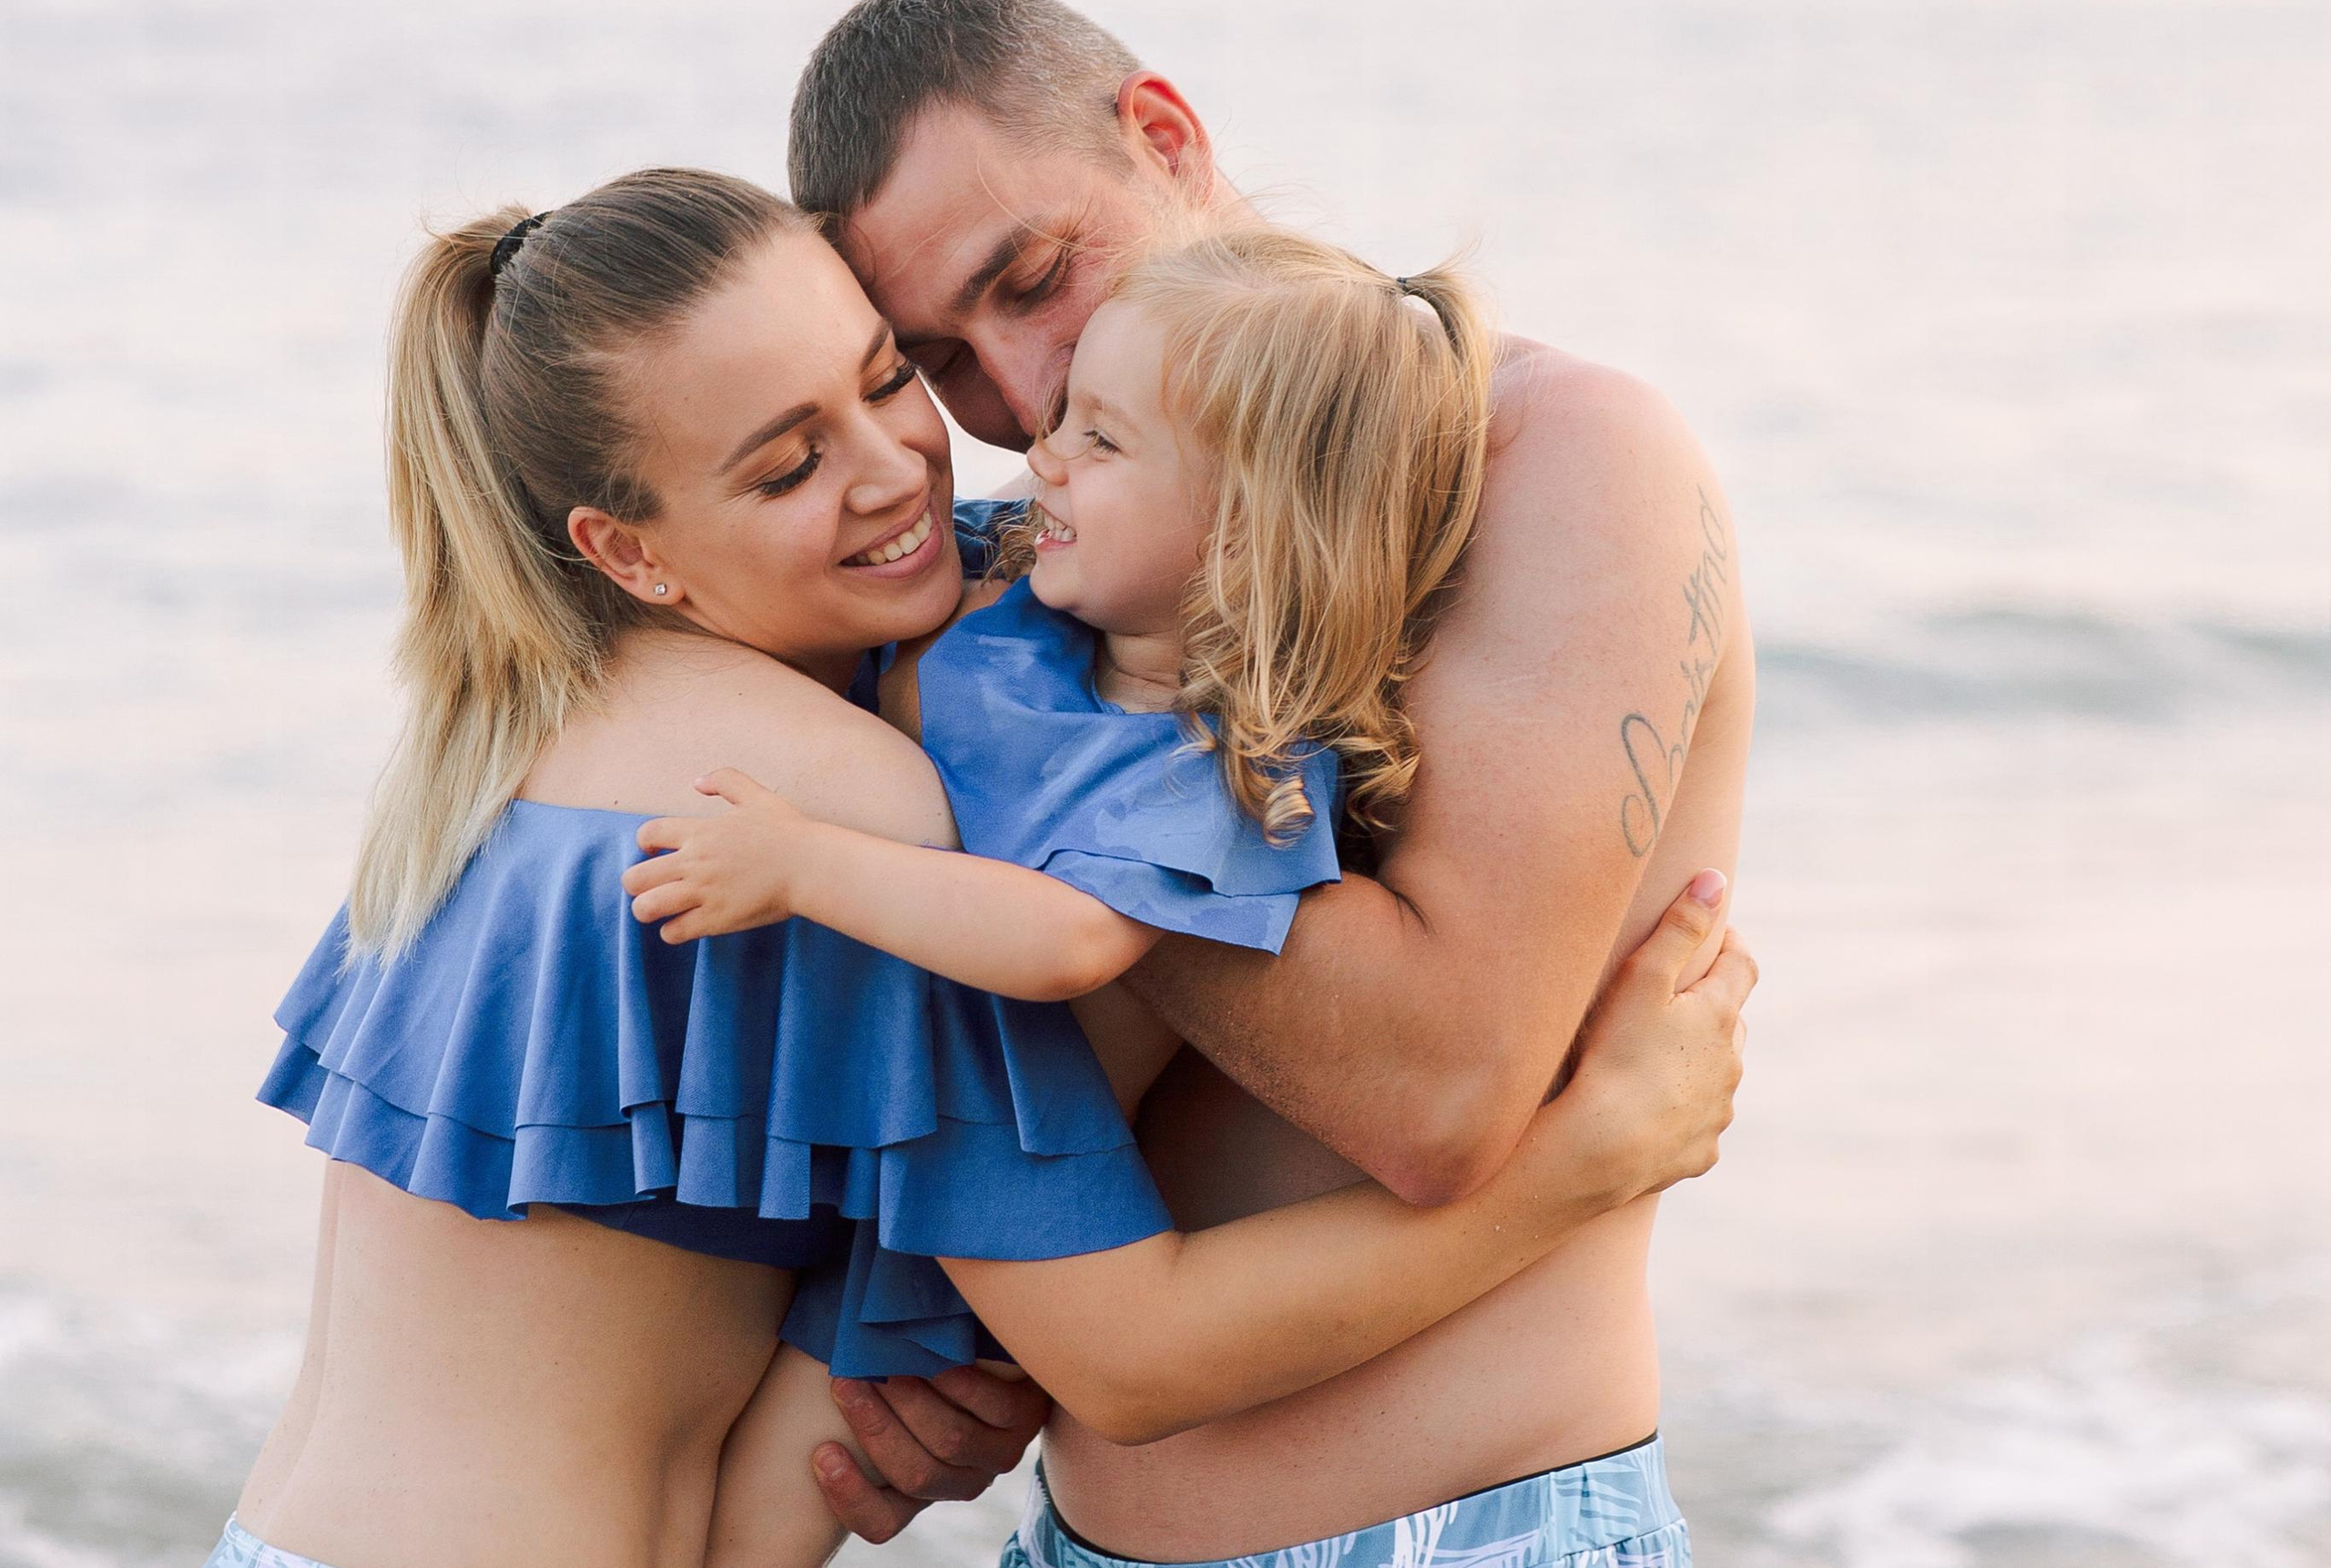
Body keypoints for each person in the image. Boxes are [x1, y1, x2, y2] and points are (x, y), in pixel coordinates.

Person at [218, 168, 1753, 1568]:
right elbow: (1131, 1351)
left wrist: (900, 1356)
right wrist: (1586, 1162)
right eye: (784, 466)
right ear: (627, 548)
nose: (900, 468)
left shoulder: (500, 746)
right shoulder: (831, 799)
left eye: (891, 377)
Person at [784, 0, 1756, 1565]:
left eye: (1032, 279)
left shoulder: (1548, 458)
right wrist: (950, 1323)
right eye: (937, 362)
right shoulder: (1064, 569)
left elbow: (1437, 1088)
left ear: (1163, 136)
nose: (1020, 400)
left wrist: (969, 729)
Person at [615, 227, 1497, 1377]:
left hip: (1005, 1201)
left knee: (769, 1508)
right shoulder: (1032, 602)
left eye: (1103, 439)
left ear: (1240, 530)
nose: (1041, 456)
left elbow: (1068, 940)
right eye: (1067, 415)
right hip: (887, 1133)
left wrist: (800, 865)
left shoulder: (1223, 766)